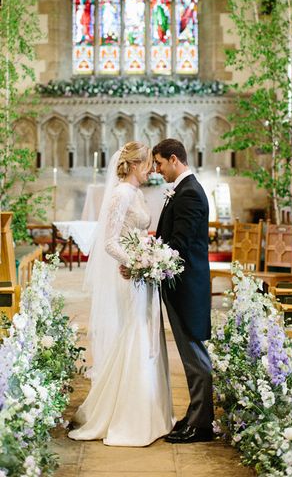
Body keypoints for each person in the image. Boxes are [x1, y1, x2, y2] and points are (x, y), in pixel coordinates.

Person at [68, 142, 174, 446]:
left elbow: (140, 232)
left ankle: (151, 413)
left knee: (146, 332)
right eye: (148, 164)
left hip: (143, 274)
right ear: (137, 164)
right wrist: (137, 263)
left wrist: (150, 255)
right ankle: (129, 416)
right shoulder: (119, 195)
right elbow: (109, 243)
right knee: (136, 334)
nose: (153, 169)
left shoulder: (138, 194)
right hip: (130, 275)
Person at [152, 138, 214, 444]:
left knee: (194, 356)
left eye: (160, 163)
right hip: (183, 285)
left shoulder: (189, 193)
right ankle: (195, 415)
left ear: (174, 159)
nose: (157, 170)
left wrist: (148, 258)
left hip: (187, 286)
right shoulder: (185, 190)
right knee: (191, 354)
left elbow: (179, 245)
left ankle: (201, 426)